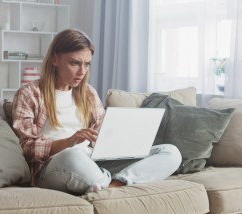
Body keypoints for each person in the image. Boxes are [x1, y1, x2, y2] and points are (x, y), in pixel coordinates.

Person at [12, 28, 181, 195]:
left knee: (170, 152)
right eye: (74, 63)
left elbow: (102, 135)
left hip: (93, 160)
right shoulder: (29, 94)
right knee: (71, 156)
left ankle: (114, 185)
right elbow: (28, 148)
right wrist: (70, 141)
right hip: (56, 165)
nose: (82, 72)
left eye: (87, 64)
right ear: (55, 59)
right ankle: (108, 183)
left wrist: (121, 140)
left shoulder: (89, 93)